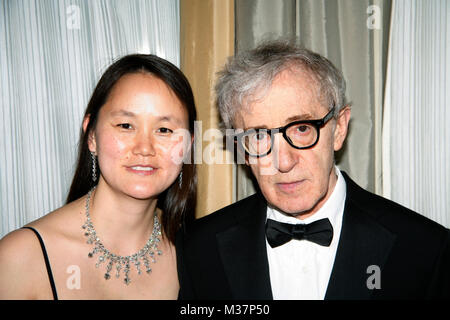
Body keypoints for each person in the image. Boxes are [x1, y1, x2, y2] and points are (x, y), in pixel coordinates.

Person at [176, 40, 450, 300]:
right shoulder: (200, 249)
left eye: (302, 128)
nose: (283, 162)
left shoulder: (423, 249)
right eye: (259, 136)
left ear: (339, 129)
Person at [0, 54, 197, 299]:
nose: (144, 148)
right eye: (125, 125)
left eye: (164, 130)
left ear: (188, 146)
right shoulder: (21, 257)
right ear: (91, 135)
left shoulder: (197, 252)